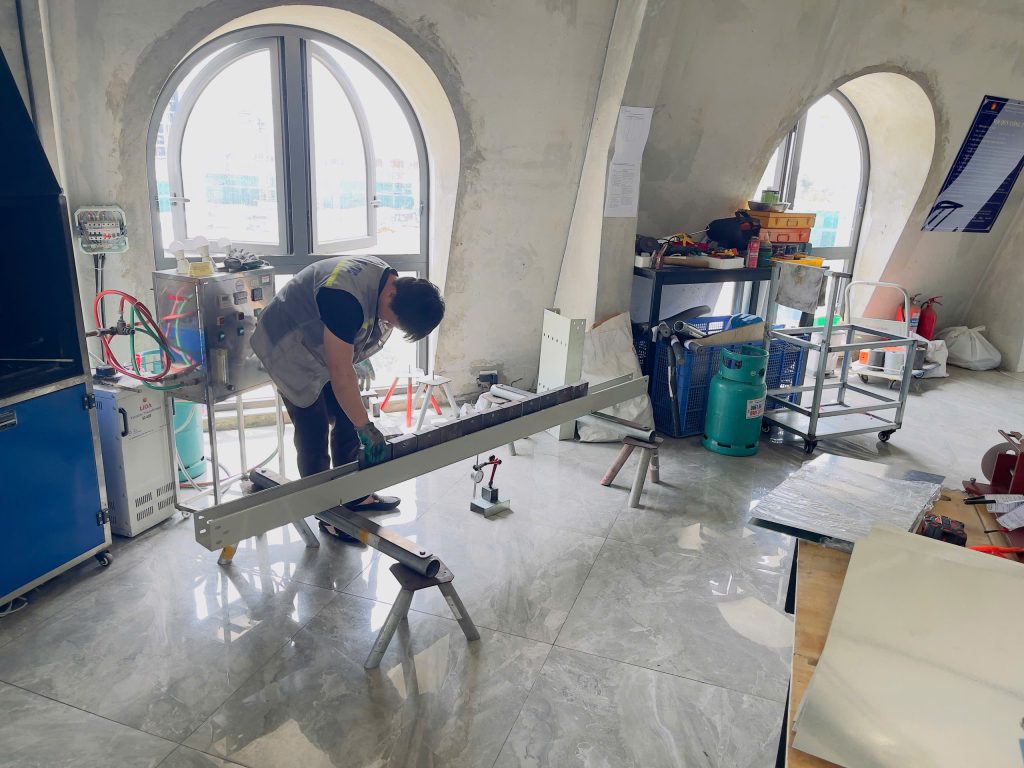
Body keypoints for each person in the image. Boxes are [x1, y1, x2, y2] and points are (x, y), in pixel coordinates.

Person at [251, 255, 445, 538]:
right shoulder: (344, 300)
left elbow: (344, 360)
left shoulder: (386, 280)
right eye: (393, 320)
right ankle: (326, 513)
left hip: (316, 342)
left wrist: (358, 418)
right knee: (313, 428)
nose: (389, 324)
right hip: (287, 345)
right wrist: (366, 426)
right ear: (391, 294)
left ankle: (354, 496)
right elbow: (340, 372)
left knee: (347, 418)